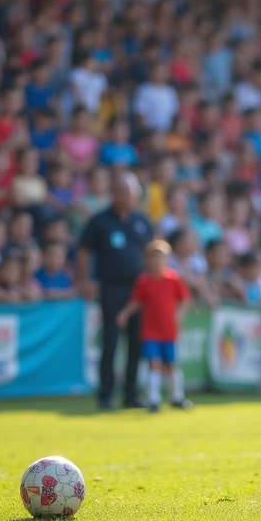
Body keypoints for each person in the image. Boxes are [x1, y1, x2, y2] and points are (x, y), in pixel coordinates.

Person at [77, 171, 154, 410]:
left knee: (136, 344)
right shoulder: (99, 220)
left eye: (132, 192)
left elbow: (152, 254)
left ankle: (131, 395)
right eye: (123, 191)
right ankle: (106, 395)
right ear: (113, 193)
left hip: (139, 290)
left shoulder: (142, 221)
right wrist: (85, 279)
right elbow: (83, 251)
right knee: (110, 342)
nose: (128, 196)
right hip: (111, 288)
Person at [114, 240, 192, 413]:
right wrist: (125, 313)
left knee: (171, 364)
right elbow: (136, 301)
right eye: (154, 258)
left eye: (161, 258)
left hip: (169, 331)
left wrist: (179, 314)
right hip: (150, 331)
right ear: (147, 260)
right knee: (154, 363)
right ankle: (154, 400)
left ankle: (176, 397)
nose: (157, 262)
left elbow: (185, 300)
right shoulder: (143, 281)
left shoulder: (173, 279)